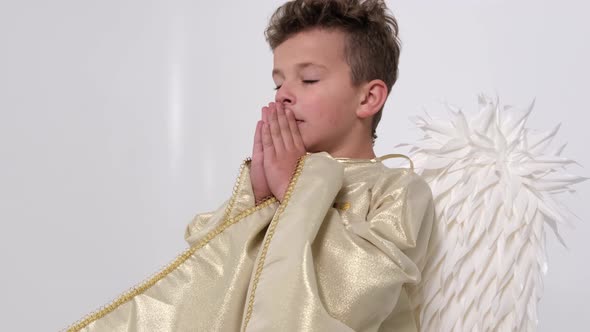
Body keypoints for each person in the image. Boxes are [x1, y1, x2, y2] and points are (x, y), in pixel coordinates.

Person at [65, 0, 435, 331]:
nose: (286, 94)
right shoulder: (276, 181)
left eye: (308, 79)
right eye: (278, 84)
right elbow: (214, 285)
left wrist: (298, 188)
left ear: (368, 97)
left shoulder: (399, 192)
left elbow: (347, 303)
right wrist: (255, 202)